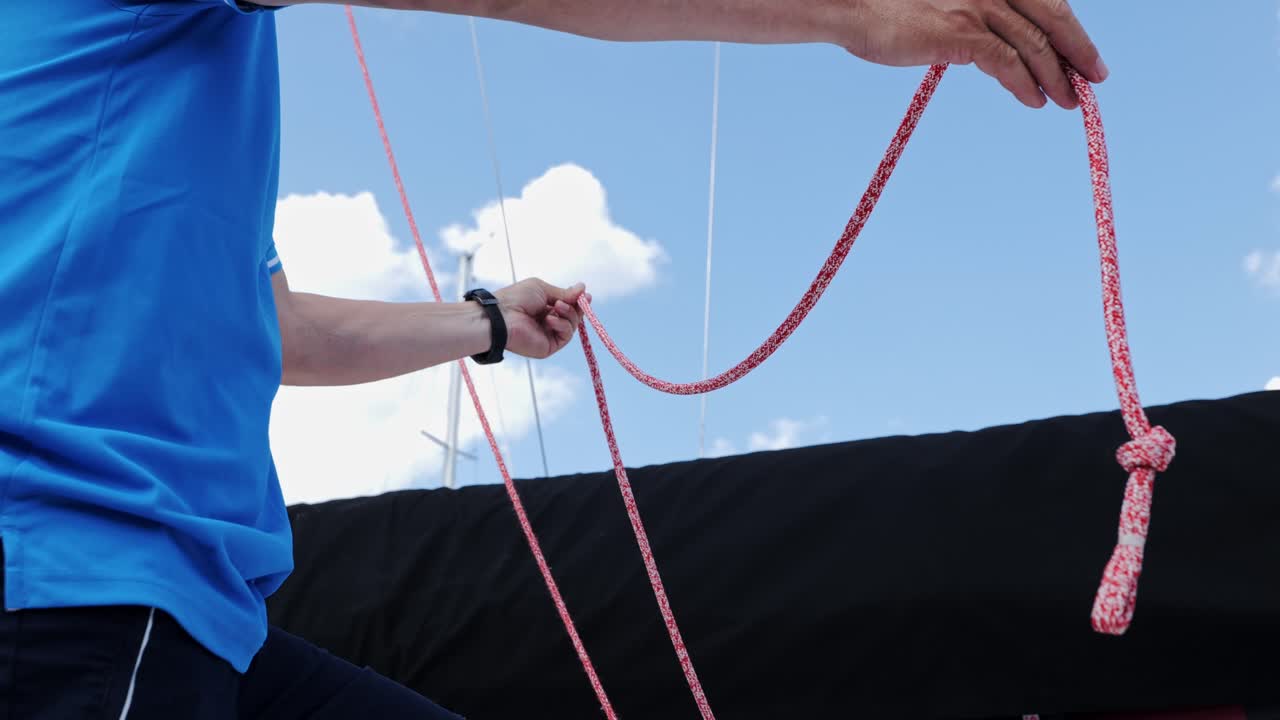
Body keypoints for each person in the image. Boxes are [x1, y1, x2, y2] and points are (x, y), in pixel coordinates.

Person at [0, 0, 1105, 716]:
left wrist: (487, 323)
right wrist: (855, 12)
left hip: (193, 614)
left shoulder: (131, 105)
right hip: (72, 585)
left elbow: (274, 329)